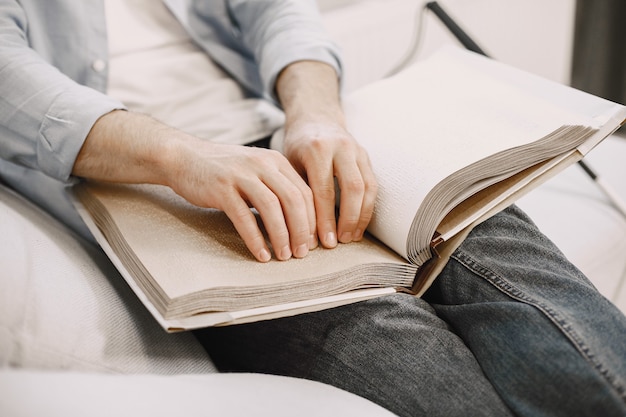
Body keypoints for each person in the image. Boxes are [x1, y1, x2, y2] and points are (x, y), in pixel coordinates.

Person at [1, 1, 625, 416]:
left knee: (487, 239)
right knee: (379, 329)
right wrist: (183, 158)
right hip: (154, 188)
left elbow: (278, 12)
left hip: (274, 133)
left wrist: (316, 114)